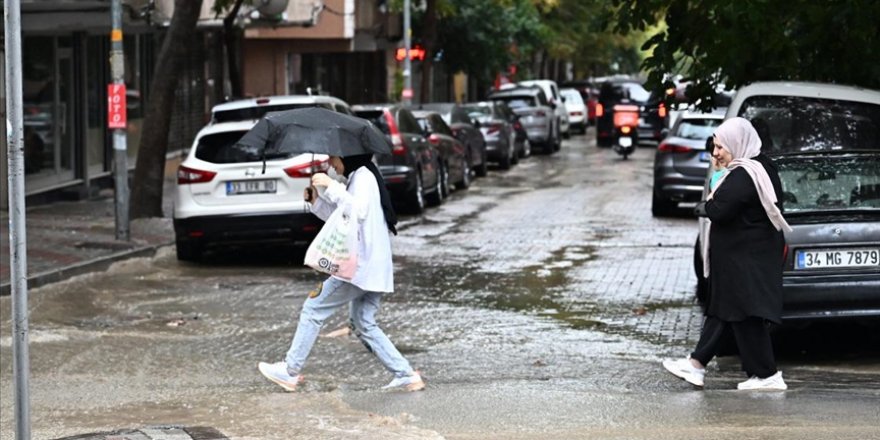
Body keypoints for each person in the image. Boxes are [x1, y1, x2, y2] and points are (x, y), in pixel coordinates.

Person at [258, 154, 425, 392]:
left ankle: (290, 370)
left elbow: (358, 210)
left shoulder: (364, 177)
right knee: (362, 322)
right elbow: (344, 216)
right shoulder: (359, 176)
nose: (332, 164)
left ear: (348, 154)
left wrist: (331, 185)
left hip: (360, 267)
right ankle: (405, 374)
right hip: (372, 266)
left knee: (312, 308)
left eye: (334, 158)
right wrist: (317, 201)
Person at [663, 117, 792, 391]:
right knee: (731, 313)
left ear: (737, 144)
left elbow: (718, 209)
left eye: (721, 147)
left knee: (737, 313)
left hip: (744, 260)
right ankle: (747, 372)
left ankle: (758, 374)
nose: (716, 153)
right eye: (715, 147)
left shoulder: (746, 174)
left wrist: (709, 196)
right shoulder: (759, 167)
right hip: (743, 259)